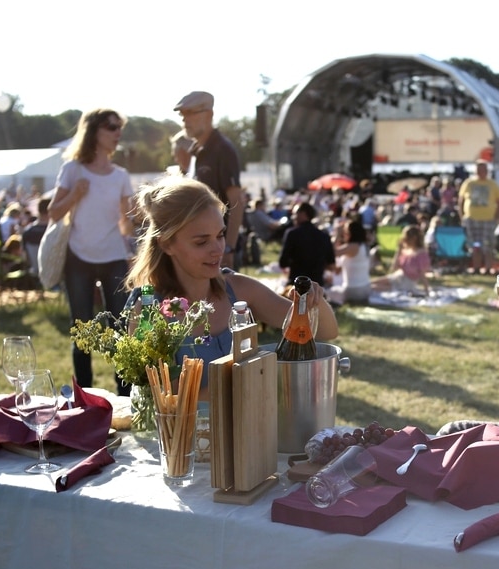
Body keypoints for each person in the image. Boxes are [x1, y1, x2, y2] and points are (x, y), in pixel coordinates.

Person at [125, 178, 338, 387]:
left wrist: (313, 300)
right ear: (167, 244)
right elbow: (163, 401)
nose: (218, 249)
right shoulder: (148, 312)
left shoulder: (237, 289)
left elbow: (326, 332)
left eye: (220, 235)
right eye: (201, 242)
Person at [48, 108, 135, 393]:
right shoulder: (72, 169)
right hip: (78, 258)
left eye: (119, 127)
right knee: (82, 332)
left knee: (121, 330)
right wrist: (76, 194)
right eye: (111, 126)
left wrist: (134, 249)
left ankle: (124, 396)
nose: (117, 133)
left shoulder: (121, 175)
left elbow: (127, 222)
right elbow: (53, 213)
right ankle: (83, 397)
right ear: (93, 131)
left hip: (113, 258)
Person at [174, 91, 243, 270]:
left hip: (216, 248)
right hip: (201, 247)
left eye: (191, 114)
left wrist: (228, 247)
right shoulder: (198, 150)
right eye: (183, 115)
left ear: (209, 115)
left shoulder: (222, 149)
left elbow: (237, 201)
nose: (185, 121)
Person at [458, 160, 499, 274]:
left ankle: (488, 268)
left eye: (483, 170)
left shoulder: (492, 184)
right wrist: (462, 216)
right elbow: (461, 201)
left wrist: (496, 217)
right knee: (475, 244)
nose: (481, 172)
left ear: (487, 171)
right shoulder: (468, 183)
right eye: (479, 170)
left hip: (488, 220)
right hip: (471, 219)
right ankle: (476, 267)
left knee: (488, 245)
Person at [278, 202, 335, 287]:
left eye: (295, 214)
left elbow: (283, 262)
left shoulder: (292, 234)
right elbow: (331, 263)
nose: (293, 217)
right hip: (317, 285)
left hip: (296, 284)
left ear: (303, 214)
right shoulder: (324, 236)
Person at [373, 224, 432, 295]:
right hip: (397, 277)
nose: (404, 240)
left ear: (414, 238)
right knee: (369, 284)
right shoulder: (405, 251)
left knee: (373, 287)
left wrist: (427, 291)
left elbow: (422, 274)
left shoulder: (421, 254)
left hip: (406, 284)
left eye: (406, 238)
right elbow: (393, 268)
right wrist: (398, 251)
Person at [328, 218, 372, 305]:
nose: (344, 234)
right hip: (365, 288)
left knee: (322, 293)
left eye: (346, 232)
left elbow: (330, 252)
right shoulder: (362, 245)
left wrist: (337, 234)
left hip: (353, 290)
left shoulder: (353, 246)